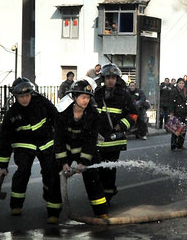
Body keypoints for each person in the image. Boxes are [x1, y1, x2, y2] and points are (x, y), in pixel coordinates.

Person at [0, 77, 62, 223]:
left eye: (27, 95)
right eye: (21, 96)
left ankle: (53, 212)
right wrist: (2, 165)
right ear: (15, 96)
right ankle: (16, 205)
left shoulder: (42, 103)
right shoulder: (12, 114)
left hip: (46, 143)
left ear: (31, 93)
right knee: (23, 172)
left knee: (51, 173)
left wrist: (59, 141)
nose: (25, 99)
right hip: (24, 145)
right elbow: (5, 140)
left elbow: (57, 118)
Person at [54, 80, 109, 220]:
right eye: (83, 97)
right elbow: (58, 139)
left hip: (85, 151)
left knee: (93, 179)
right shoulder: (62, 114)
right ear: (74, 96)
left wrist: (83, 162)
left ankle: (101, 212)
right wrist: (63, 162)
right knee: (53, 177)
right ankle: (53, 212)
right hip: (66, 150)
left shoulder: (93, 115)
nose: (86, 101)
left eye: (88, 98)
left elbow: (91, 141)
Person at [93, 63, 138, 204]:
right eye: (108, 77)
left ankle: (107, 196)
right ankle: (102, 195)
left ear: (117, 79)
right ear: (103, 79)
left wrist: (122, 125)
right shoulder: (97, 94)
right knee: (99, 170)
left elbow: (134, 114)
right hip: (99, 139)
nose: (110, 80)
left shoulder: (124, 95)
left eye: (113, 77)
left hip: (114, 140)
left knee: (110, 170)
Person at [169, 78, 187, 151]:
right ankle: (173, 146)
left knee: (183, 130)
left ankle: (180, 145)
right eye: (180, 83)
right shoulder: (174, 91)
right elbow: (171, 102)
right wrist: (171, 112)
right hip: (177, 112)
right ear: (177, 84)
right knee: (175, 130)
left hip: (183, 112)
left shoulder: (184, 91)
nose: (181, 85)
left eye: (182, 83)